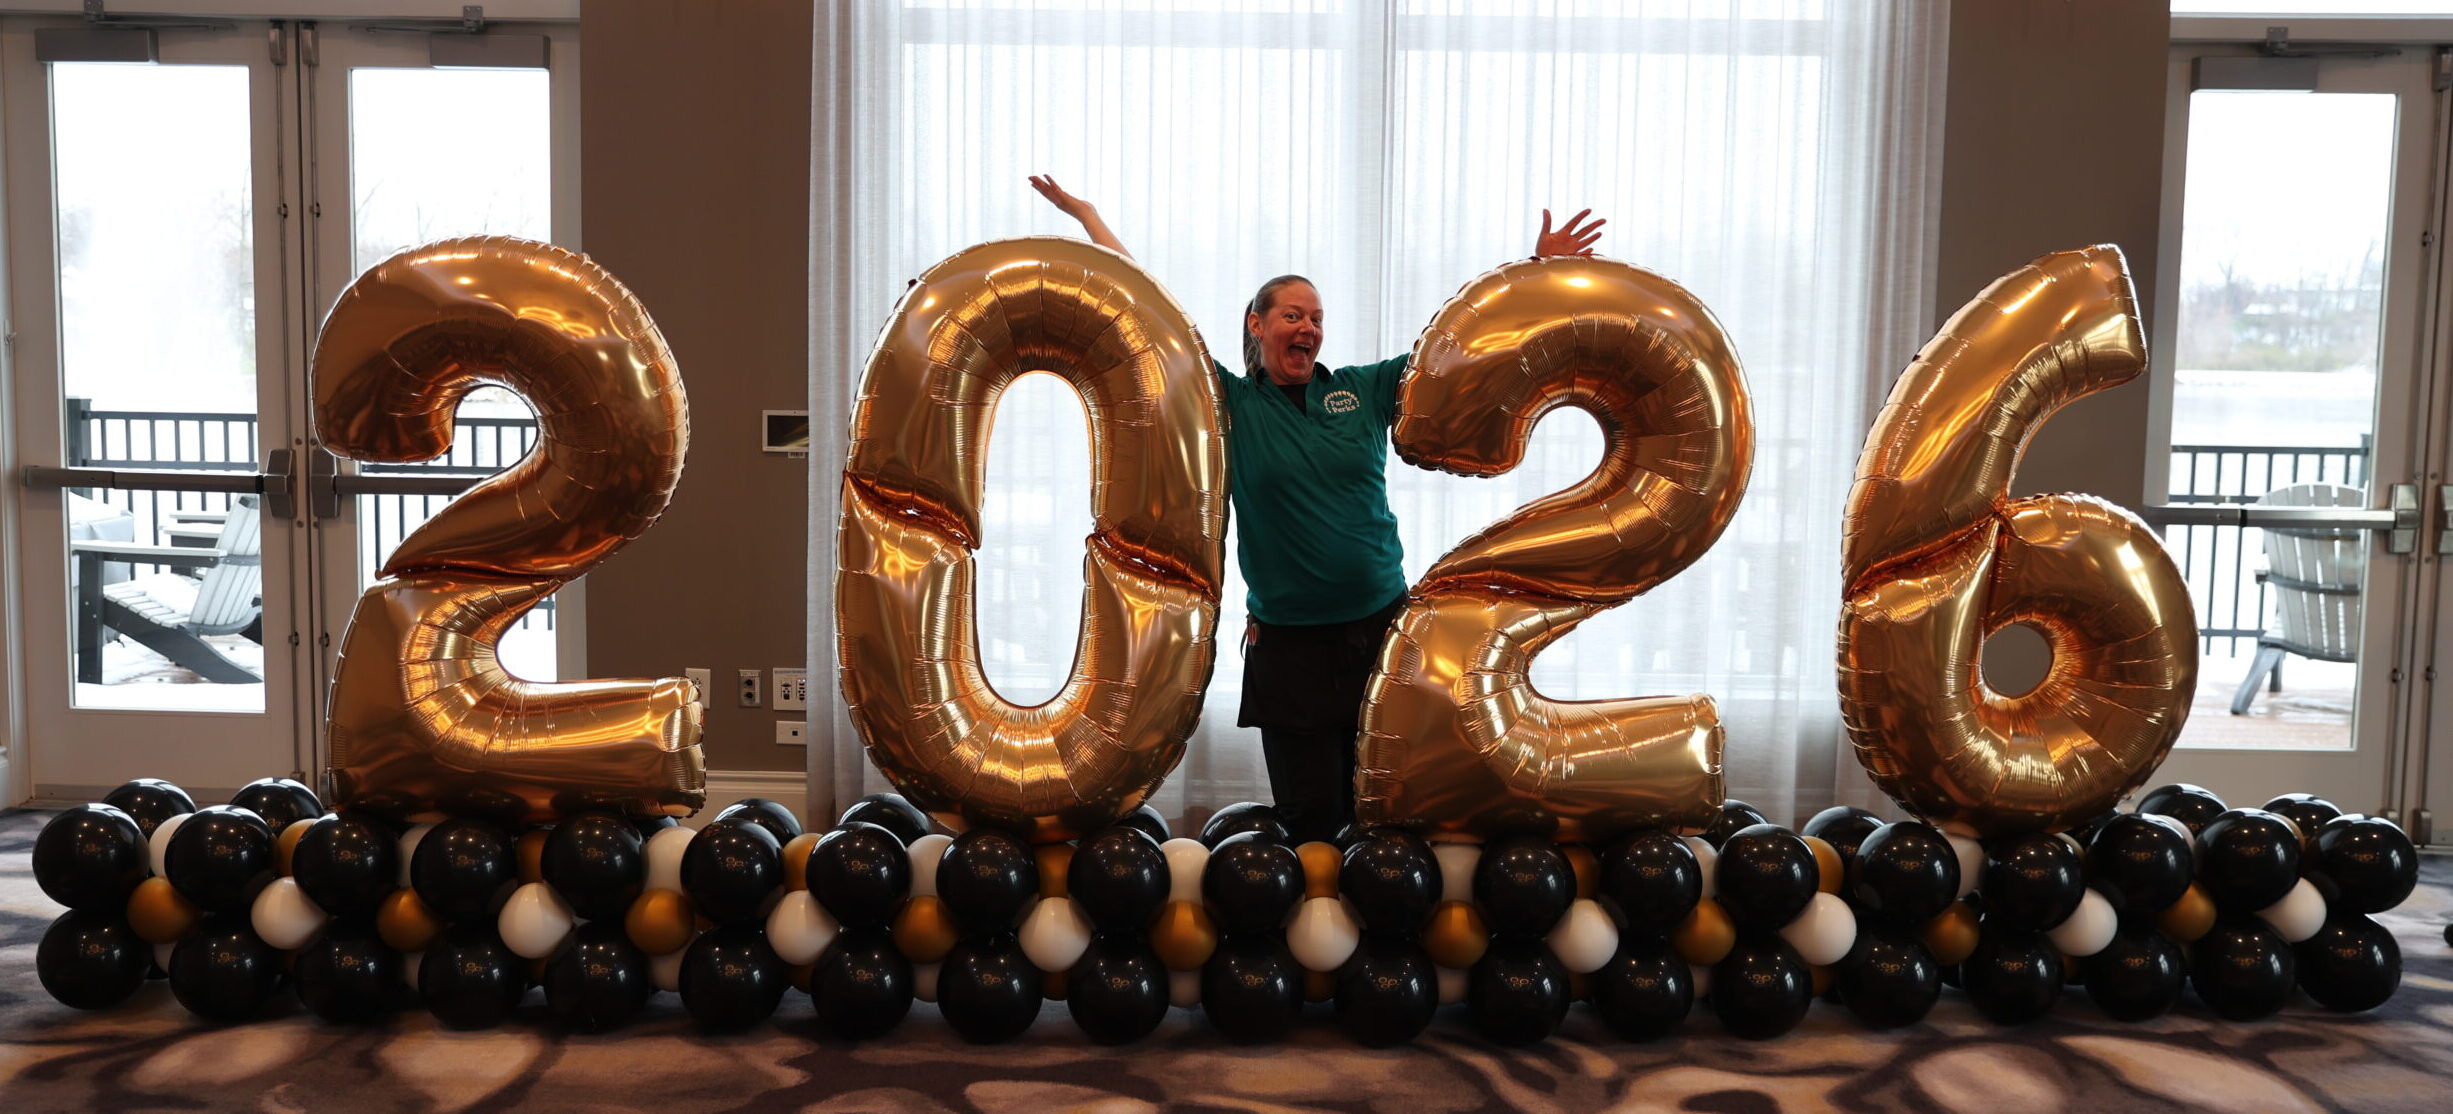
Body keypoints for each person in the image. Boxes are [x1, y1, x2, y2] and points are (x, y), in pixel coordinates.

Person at [1029, 175, 1604, 843]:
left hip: (1381, 631)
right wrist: (1090, 219)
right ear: (1258, 325)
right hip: (1290, 647)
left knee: (1384, 817)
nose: (1308, 328)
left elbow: (1459, 348)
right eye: (1293, 316)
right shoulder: (1229, 403)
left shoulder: (1362, 390)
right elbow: (1150, 316)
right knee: (1310, 823)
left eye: (1317, 318)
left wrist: (1536, 272)